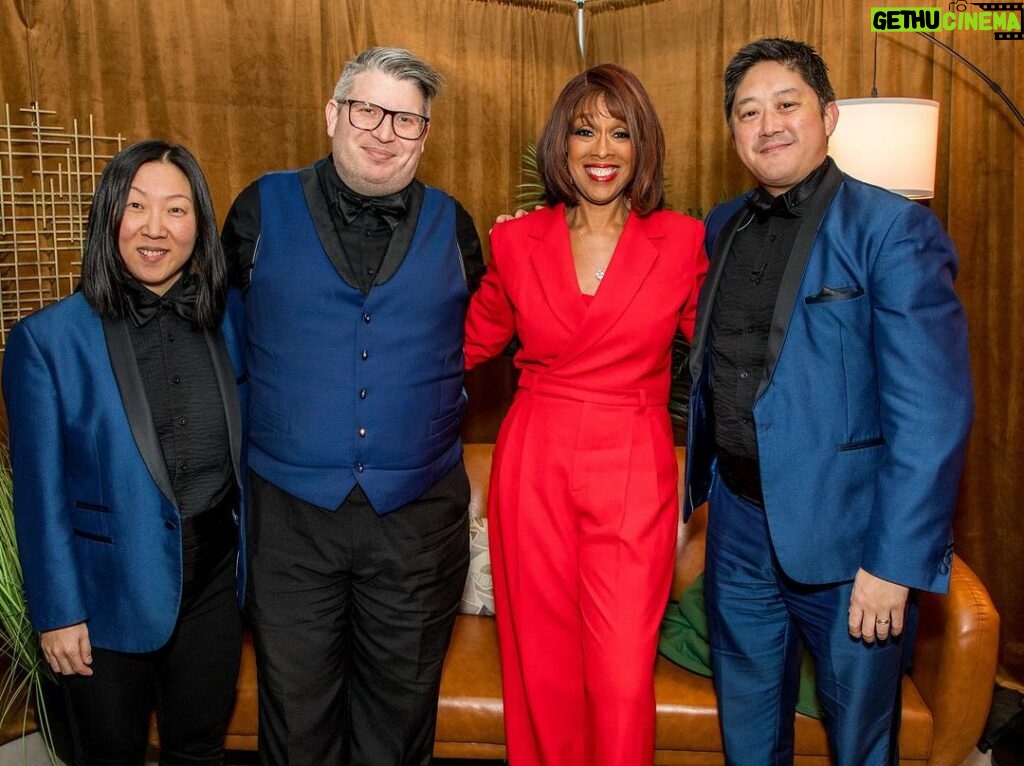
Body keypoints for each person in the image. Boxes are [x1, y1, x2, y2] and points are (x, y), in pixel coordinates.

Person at [685, 37, 974, 765]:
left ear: (829, 114)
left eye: (787, 104)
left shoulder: (893, 230)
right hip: (739, 528)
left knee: (860, 743)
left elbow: (932, 416)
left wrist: (894, 565)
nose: (768, 124)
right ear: (734, 133)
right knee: (747, 736)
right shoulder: (724, 225)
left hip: (851, 546)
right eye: (748, 112)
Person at [220, 46, 483, 765]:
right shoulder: (258, 209)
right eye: (367, 109)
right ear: (333, 112)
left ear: (426, 134)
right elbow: (227, 349)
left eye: (406, 118)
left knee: (397, 727)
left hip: (416, 520)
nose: (383, 131)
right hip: (289, 517)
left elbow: (478, 351)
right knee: (295, 719)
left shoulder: (458, 227)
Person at [464, 63, 707, 766]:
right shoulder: (516, 240)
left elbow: (731, 353)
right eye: (584, 130)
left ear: (643, 146)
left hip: (632, 466)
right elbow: (461, 346)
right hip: (533, 464)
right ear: (561, 145)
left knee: (623, 676)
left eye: (620, 131)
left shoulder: (684, 242)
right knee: (541, 669)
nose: (602, 149)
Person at [2, 139, 247, 765]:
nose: (155, 228)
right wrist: (57, 614)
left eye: (176, 209)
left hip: (214, 587)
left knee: (199, 751)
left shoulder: (227, 320)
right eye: (136, 206)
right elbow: (40, 494)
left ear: (200, 224)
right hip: (105, 599)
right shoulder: (47, 342)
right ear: (109, 215)